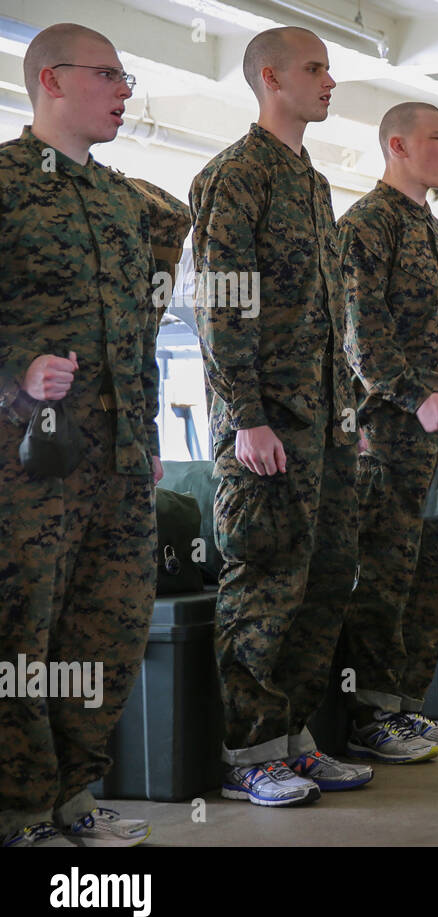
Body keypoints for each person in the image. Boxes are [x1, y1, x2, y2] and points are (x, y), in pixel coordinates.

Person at [0, 23, 184, 847]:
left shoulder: (121, 201)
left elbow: (139, 339)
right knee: (21, 636)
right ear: (50, 80)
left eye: (126, 77)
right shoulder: (3, 183)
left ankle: (74, 795)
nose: (124, 91)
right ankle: (19, 807)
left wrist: (143, 446)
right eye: (108, 75)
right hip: (28, 463)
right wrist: (16, 371)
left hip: (118, 460)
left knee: (106, 633)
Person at [191, 26, 370, 806]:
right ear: (270, 78)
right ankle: (248, 753)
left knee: (324, 581)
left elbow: (328, 316)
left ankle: (294, 738)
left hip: (326, 427)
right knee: (263, 583)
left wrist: (348, 412)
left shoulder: (314, 182)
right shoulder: (236, 175)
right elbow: (223, 307)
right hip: (264, 429)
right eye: (315, 68)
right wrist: (246, 416)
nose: (330, 81)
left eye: (329, 68)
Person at [336, 102, 438, 762]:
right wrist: (416, 397)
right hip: (389, 435)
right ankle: (370, 715)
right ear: (397, 145)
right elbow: (360, 333)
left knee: (433, 573)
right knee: (386, 575)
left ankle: (407, 706)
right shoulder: (367, 225)